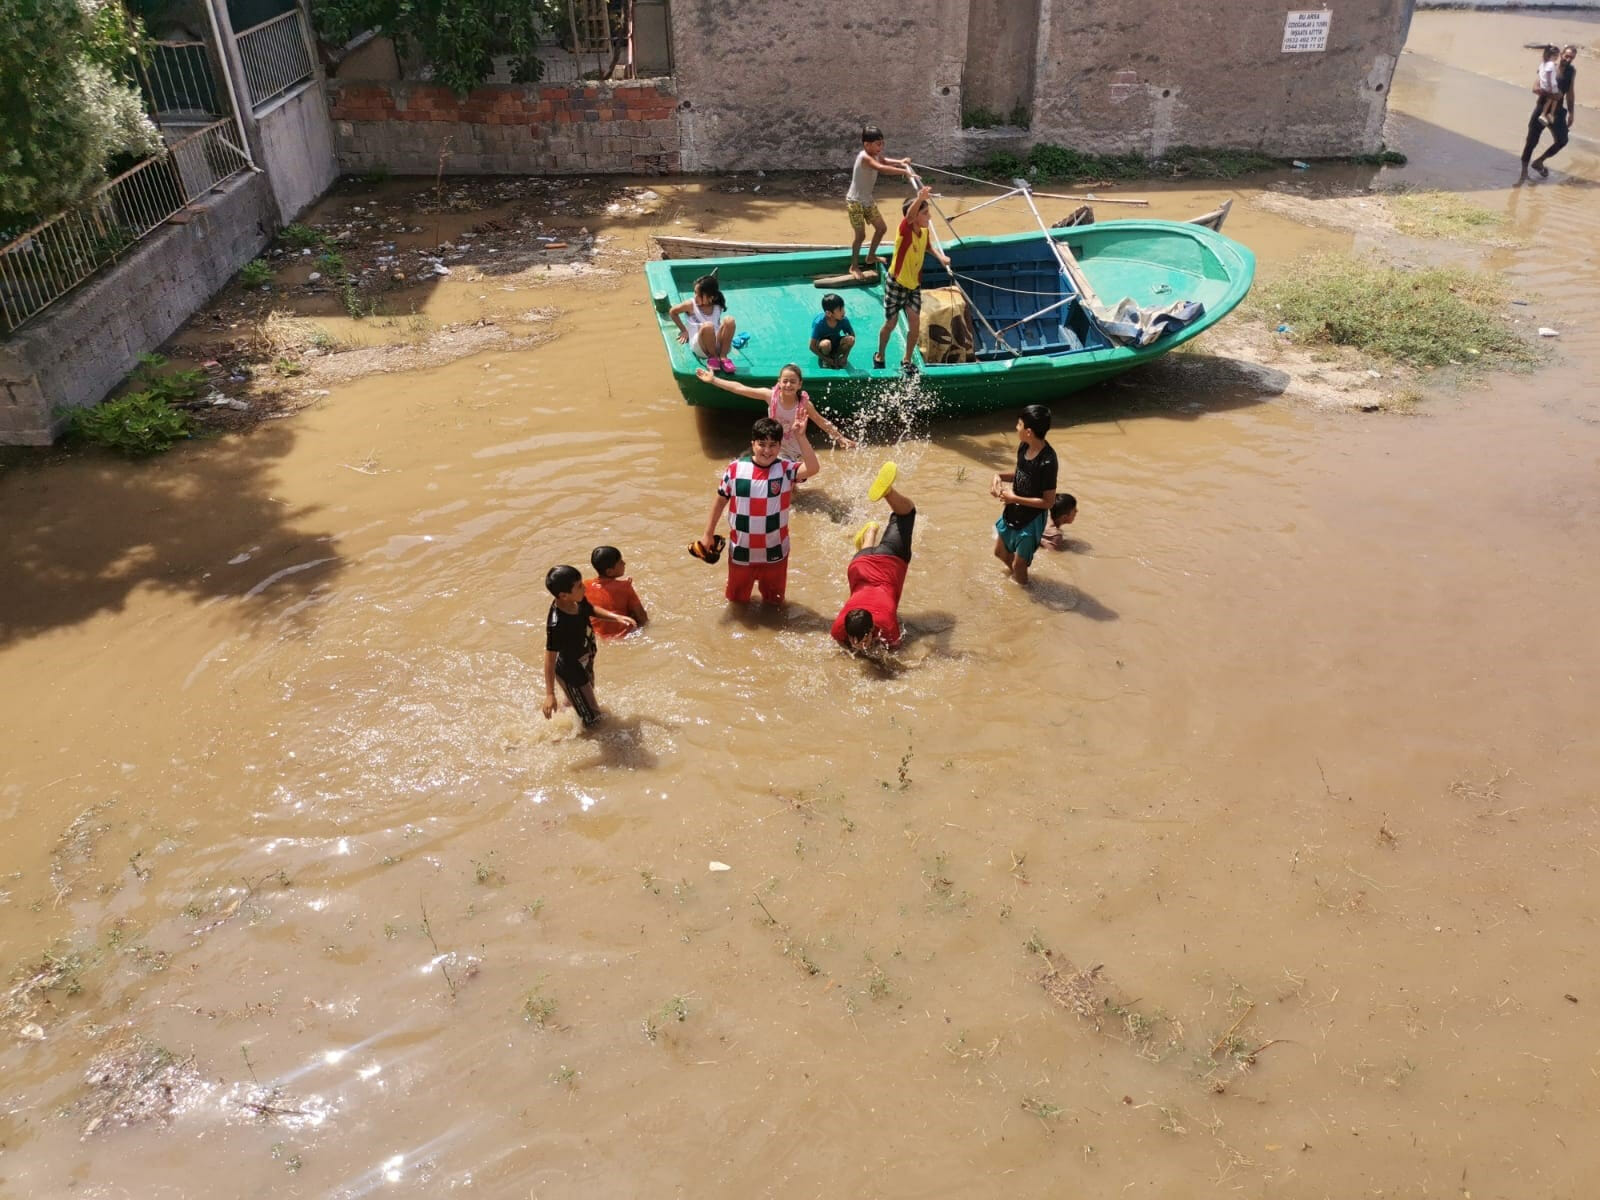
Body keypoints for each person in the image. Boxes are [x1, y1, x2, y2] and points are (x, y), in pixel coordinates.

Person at [696, 416, 821, 605]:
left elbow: (813, 468)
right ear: (753, 443)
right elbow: (721, 500)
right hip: (741, 552)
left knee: (775, 603)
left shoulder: (786, 469)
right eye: (762, 444)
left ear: (780, 446)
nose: (767, 450)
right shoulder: (735, 469)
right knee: (737, 602)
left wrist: (800, 437)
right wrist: (708, 534)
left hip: (775, 552)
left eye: (773, 445)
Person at [831, 462, 915, 653]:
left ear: (872, 629)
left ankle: (885, 498)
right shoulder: (838, 629)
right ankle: (870, 529)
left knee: (906, 514)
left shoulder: (886, 625)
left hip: (887, 563)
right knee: (905, 514)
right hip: (859, 565)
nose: (859, 644)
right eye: (855, 641)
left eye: (863, 640)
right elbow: (842, 645)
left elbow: (894, 654)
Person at [692, 363, 856, 460]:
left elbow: (821, 421)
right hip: (774, 444)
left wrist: (841, 438)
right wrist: (713, 380)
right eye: (785, 381)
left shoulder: (804, 404)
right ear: (779, 382)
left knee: (791, 486)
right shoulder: (770, 396)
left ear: (800, 384)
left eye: (793, 382)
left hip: (794, 448)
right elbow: (740, 388)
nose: (788, 385)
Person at [542, 564, 636, 727]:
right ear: (564, 595)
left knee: (581, 701)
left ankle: (565, 716)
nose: (584, 588)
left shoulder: (576, 600)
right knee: (593, 720)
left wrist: (615, 617)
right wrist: (550, 694)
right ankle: (558, 734)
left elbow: (590, 609)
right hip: (572, 672)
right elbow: (550, 659)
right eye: (579, 586)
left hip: (585, 660)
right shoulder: (557, 624)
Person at [873, 186, 951, 375]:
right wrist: (920, 198)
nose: (929, 217)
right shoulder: (905, 230)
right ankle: (880, 355)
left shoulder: (923, 232)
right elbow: (908, 217)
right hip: (897, 283)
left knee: (915, 323)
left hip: (914, 285)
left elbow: (928, 247)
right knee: (890, 324)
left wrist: (941, 258)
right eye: (925, 213)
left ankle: (906, 359)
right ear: (915, 216)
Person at [990, 405, 1059, 585]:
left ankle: (1024, 591)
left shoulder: (1048, 461)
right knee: (999, 552)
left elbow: (1048, 502)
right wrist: (998, 476)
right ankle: (1019, 577)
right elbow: (1021, 474)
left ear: (1028, 431)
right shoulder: (1024, 446)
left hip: (1032, 518)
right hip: (1013, 509)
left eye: (1019, 424)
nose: (1016, 428)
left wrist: (1014, 498)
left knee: (1020, 566)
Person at [846, 125, 915, 278]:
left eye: (882, 143)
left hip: (867, 200)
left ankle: (871, 256)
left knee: (881, 228)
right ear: (866, 145)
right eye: (878, 144)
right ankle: (854, 266)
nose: (881, 147)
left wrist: (901, 161)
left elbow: (884, 161)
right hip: (855, 201)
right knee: (860, 236)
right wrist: (904, 171)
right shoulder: (865, 157)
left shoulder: (876, 154)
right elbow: (881, 168)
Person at [1521, 43, 1578, 180]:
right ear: (1561, 55)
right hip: (1542, 109)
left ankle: (1539, 161)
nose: (1568, 59)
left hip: (1558, 112)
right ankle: (1523, 172)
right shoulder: (1550, 67)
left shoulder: (1572, 71)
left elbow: (1570, 93)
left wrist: (1571, 112)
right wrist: (1552, 95)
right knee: (1531, 142)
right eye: (1566, 56)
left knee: (1562, 140)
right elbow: (1535, 88)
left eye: (1572, 58)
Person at [670, 272, 737, 373]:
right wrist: (684, 330)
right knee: (708, 326)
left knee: (730, 320)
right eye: (695, 293)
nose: (695, 297)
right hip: (702, 347)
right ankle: (713, 357)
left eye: (700, 295)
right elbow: (673, 312)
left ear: (712, 297)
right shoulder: (690, 304)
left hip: (718, 344)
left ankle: (723, 357)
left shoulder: (717, 305)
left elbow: (718, 325)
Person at [585, 545, 648, 637]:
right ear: (610, 572)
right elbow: (642, 618)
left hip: (597, 634)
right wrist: (627, 589)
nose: (624, 563)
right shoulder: (625, 587)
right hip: (623, 636)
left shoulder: (585, 585)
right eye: (620, 562)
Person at [810, 293, 857, 368]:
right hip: (824, 347)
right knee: (826, 344)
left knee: (851, 339)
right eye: (840, 310)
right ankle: (827, 359)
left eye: (843, 308)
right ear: (829, 313)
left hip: (836, 344)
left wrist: (845, 357)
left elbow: (853, 335)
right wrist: (826, 359)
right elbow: (812, 346)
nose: (844, 312)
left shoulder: (843, 320)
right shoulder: (819, 323)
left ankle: (836, 356)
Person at [1536, 46, 1562, 127]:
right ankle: (1546, 113)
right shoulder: (1550, 64)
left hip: (1543, 84)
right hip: (1549, 85)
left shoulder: (1544, 63)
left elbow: (1538, 71)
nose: (1557, 58)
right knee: (1554, 98)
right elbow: (1548, 75)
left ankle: (1550, 113)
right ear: (1552, 56)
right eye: (1556, 56)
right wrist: (1550, 86)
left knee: (1554, 98)